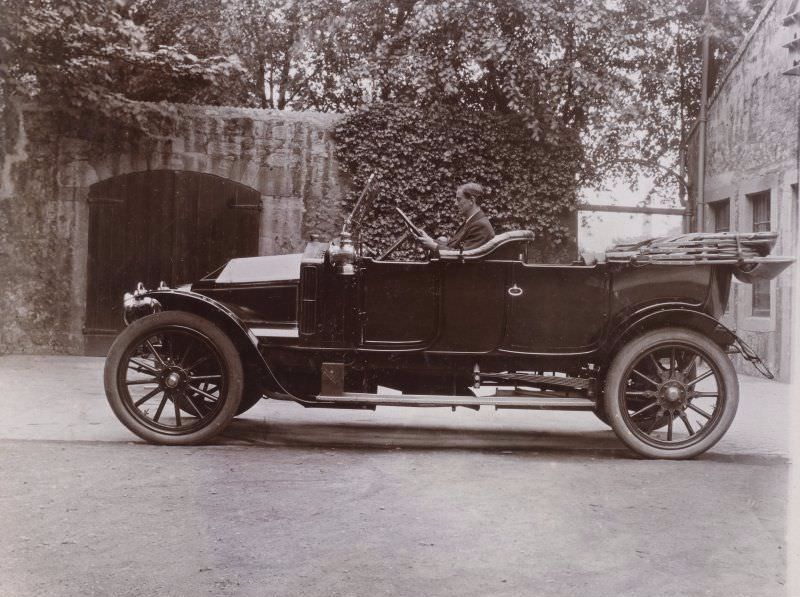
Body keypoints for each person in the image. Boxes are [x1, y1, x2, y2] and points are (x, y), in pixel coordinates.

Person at [418, 183, 495, 251]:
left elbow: (462, 255)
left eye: (459, 199)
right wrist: (430, 240)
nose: (455, 203)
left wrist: (434, 246)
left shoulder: (480, 226)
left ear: (472, 200)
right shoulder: (473, 221)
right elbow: (453, 246)